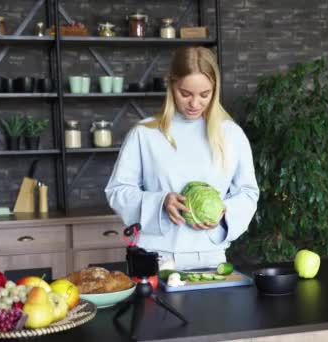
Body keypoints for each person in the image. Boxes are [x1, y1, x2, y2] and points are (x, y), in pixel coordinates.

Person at [105, 46, 259, 270]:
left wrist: (225, 213)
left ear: (214, 90)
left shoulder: (232, 135)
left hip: (210, 259)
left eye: (204, 95)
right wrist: (160, 202)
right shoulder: (145, 133)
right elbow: (117, 191)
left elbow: (248, 192)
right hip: (155, 259)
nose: (194, 104)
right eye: (185, 94)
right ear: (171, 86)